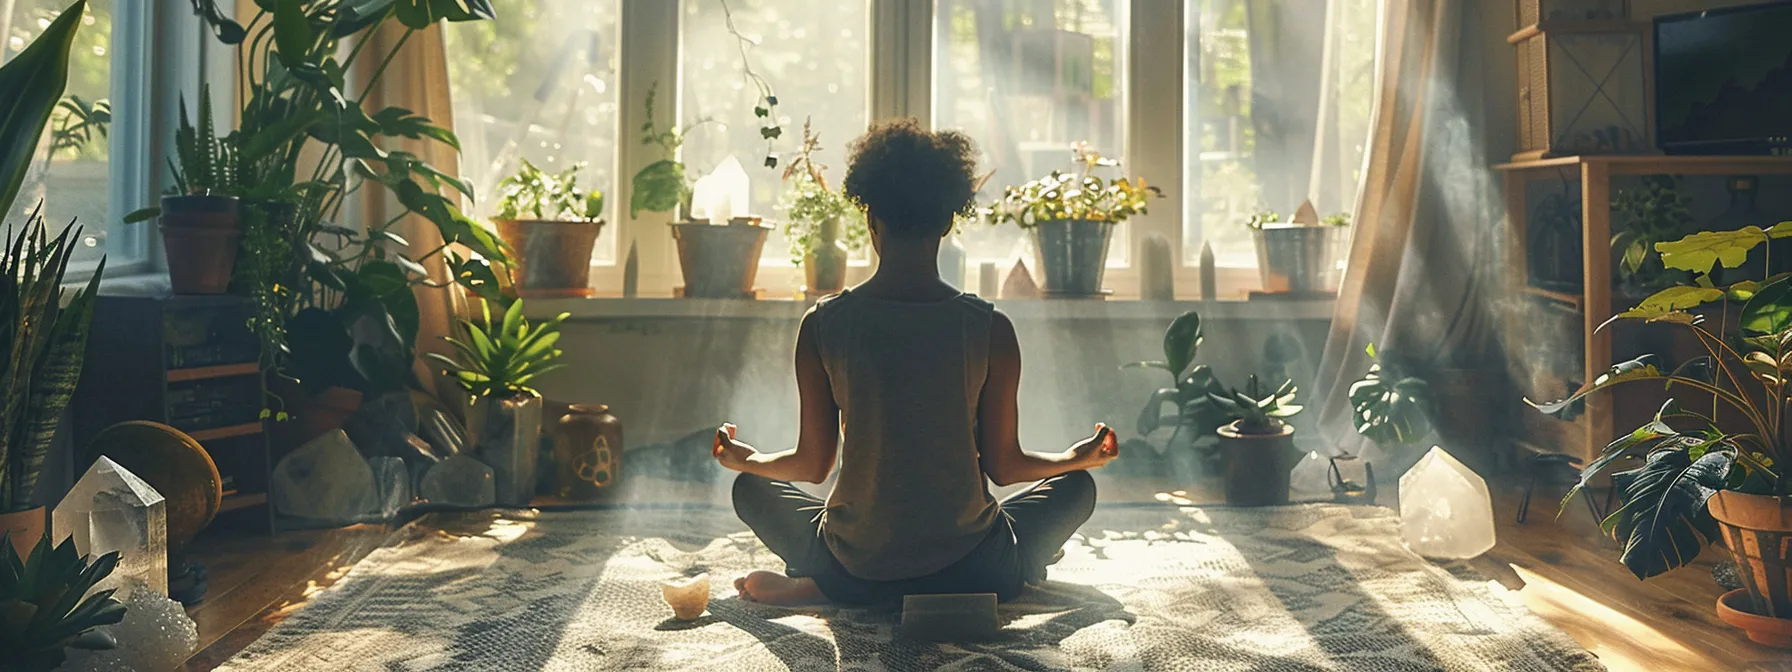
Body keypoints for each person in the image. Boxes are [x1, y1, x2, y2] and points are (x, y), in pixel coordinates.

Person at [713, 118, 1119, 606]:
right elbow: (1005, 467)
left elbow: (813, 465)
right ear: (948, 220)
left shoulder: (824, 324)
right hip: (975, 569)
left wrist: (748, 459)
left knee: (751, 490)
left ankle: (827, 585)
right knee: (1076, 489)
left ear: (871, 218)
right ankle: (1004, 576)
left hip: (855, 565)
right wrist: (1078, 459)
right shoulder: (990, 329)